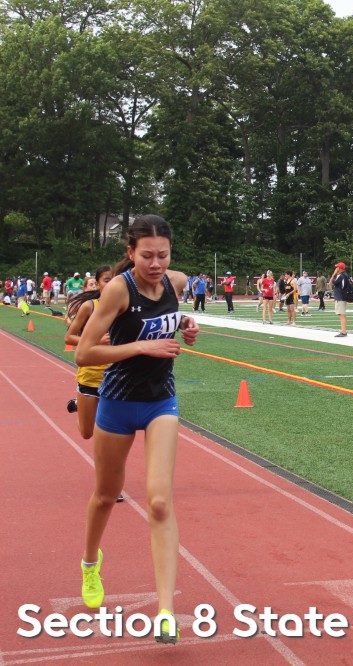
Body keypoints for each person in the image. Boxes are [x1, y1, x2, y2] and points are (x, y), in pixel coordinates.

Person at [74, 214, 200, 643]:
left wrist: (187, 324)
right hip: (117, 404)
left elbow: (172, 318)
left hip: (161, 401)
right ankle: (90, 562)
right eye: (147, 256)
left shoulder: (176, 282)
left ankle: (165, 611)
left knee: (160, 502)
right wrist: (141, 346)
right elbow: (84, 353)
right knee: (105, 495)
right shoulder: (117, 290)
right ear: (130, 253)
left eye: (163, 255)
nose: (156, 264)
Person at [65, 266, 114, 439]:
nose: (112, 284)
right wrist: (95, 341)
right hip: (91, 375)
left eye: (115, 280)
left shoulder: (125, 307)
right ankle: (80, 405)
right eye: (107, 280)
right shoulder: (89, 306)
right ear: (98, 284)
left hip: (115, 376)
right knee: (87, 433)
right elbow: (69, 337)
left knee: (112, 428)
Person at [332, 262, 350, 337]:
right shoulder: (345, 275)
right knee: (342, 314)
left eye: (337, 267)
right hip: (342, 296)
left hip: (340, 297)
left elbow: (333, 282)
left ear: (340, 268)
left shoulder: (341, 276)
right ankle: (344, 331)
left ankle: (344, 332)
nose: (336, 269)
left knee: (341, 314)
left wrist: (334, 274)